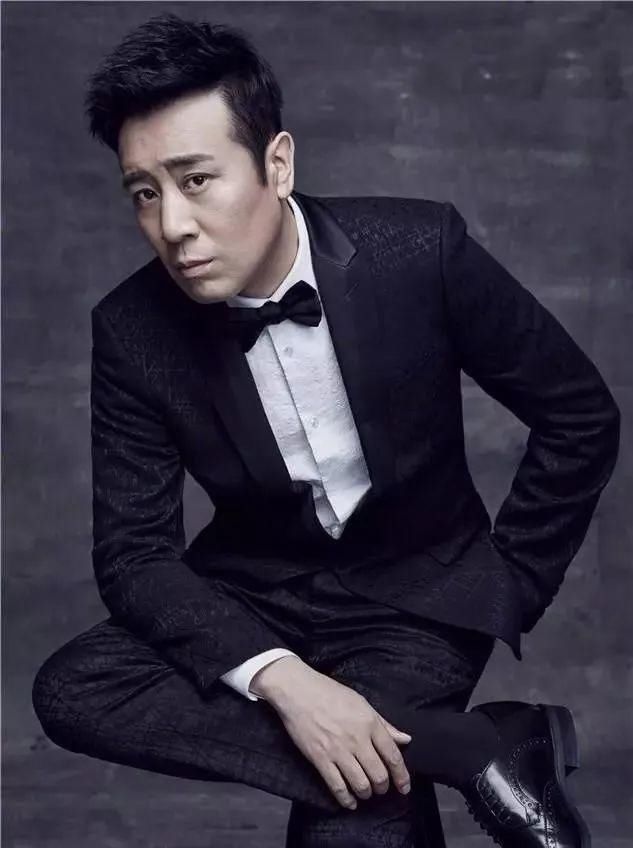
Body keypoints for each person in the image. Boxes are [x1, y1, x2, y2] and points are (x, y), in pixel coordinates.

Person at [31, 13, 619, 848]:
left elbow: (578, 415)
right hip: (256, 594)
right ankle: (468, 747)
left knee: (349, 830)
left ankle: (413, 748)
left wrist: (508, 583)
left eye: (196, 180)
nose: (172, 225)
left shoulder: (418, 250)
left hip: (419, 592)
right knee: (73, 689)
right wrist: (284, 681)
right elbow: (135, 557)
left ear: (277, 164)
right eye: (145, 193)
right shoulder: (132, 329)